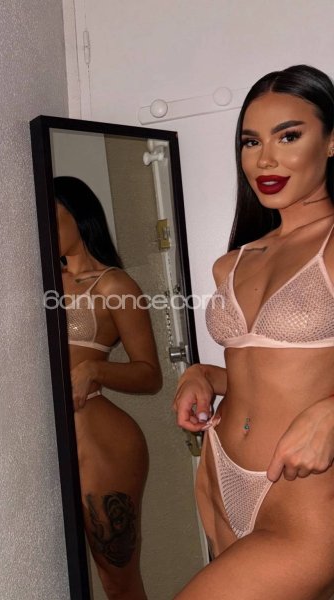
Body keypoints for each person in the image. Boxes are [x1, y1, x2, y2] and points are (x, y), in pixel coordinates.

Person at [173, 65, 334, 599]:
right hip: (220, 475)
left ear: (331, 141)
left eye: (288, 136)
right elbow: (267, 370)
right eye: (250, 141)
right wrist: (203, 374)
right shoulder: (233, 262)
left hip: (303, 494)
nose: (264, 159)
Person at [53, 176, 162, 600]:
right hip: (47, 438)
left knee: (117, 580)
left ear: (78, 217)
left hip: (99, 440)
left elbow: (149, 374)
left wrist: (96, 370)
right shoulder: (40, 279)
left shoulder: (115, 285)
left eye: (51, 215)